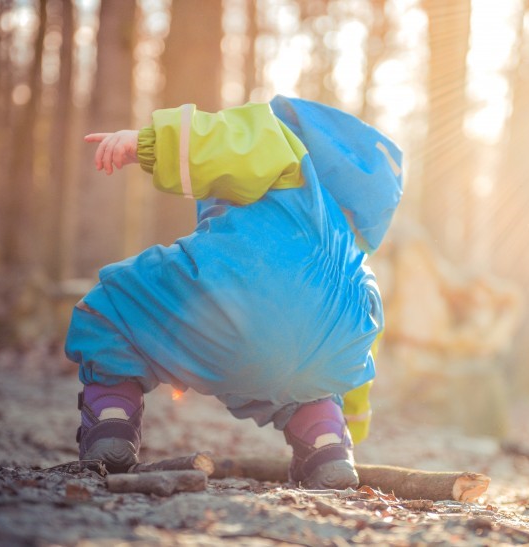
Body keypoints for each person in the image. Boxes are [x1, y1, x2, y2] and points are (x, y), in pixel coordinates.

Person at [66, 95, 403, 489]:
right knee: (312, 383)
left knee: (114, 308)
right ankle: (327, 443)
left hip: (233, 305)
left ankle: (111, 423)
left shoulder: (288, 153)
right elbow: (362, 353)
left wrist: (145, 144)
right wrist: (354, 422)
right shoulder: (357, 267)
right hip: (321, 359)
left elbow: (228, 141)